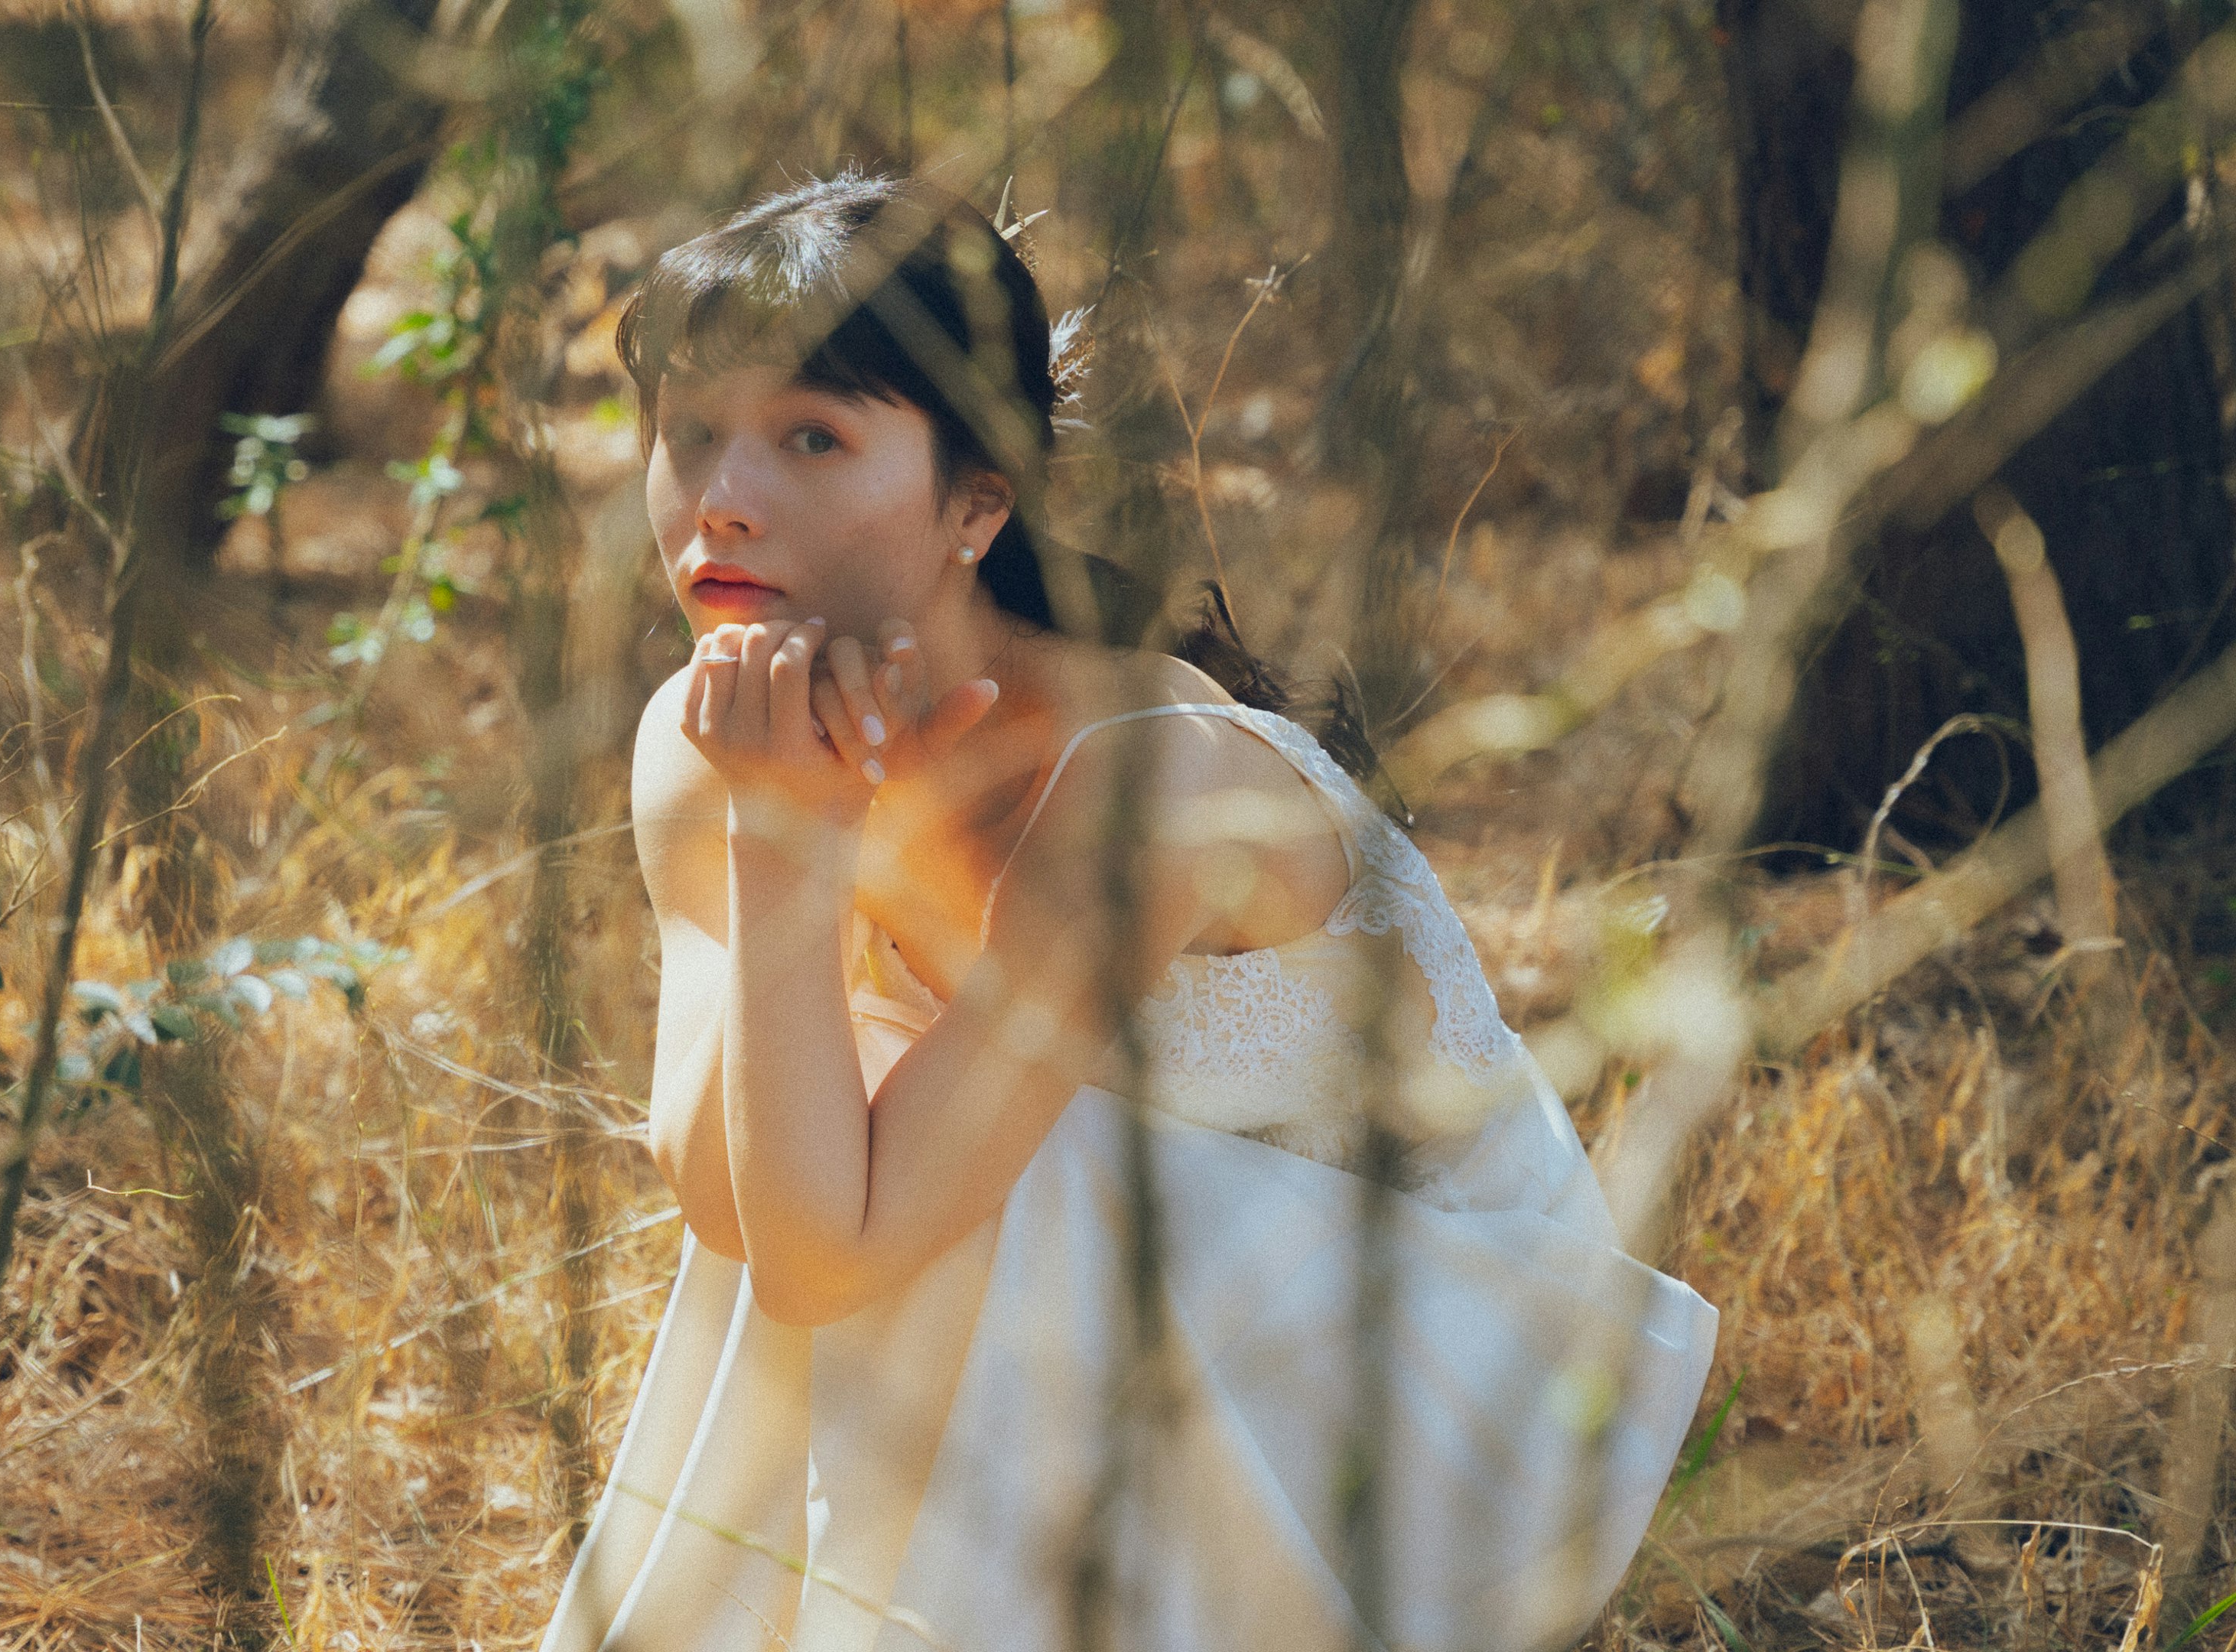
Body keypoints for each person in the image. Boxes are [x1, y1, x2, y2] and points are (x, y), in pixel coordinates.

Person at [539, 171, 1716, 1652]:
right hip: (1118, 1336)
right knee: (886, 1140)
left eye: (812, 438)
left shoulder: (1141, 778)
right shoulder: (711, 736)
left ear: (979, 503)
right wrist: (782, 835)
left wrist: (786, 847)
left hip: (1441, 1367)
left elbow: (837, 1253)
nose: (723, 497)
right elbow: (741, 1214)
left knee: (990, 1173)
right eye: (693, 431)